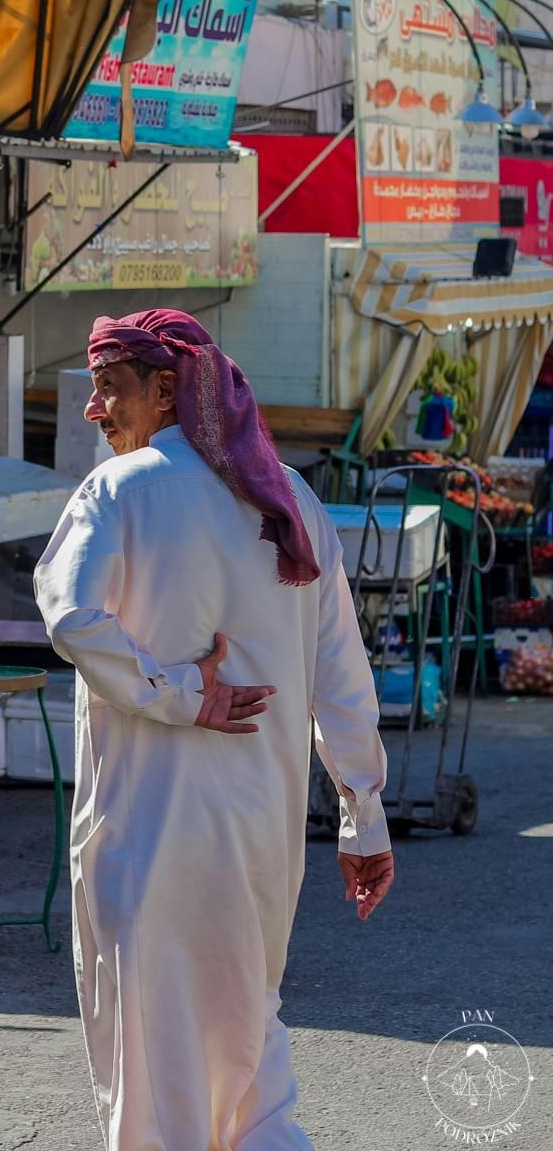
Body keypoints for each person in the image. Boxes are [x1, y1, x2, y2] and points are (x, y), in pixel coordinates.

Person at [33, 308, 396, 1150]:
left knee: (149, 1069)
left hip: (146, 836)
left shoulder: (117, 493)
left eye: (108, 387)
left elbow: (72, 618)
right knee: (249, 1063)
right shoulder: (293, 502)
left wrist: (176, 692)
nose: (94, 409)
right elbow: (345, 680)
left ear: (166, 390)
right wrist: (363, 818)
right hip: (259, 843)